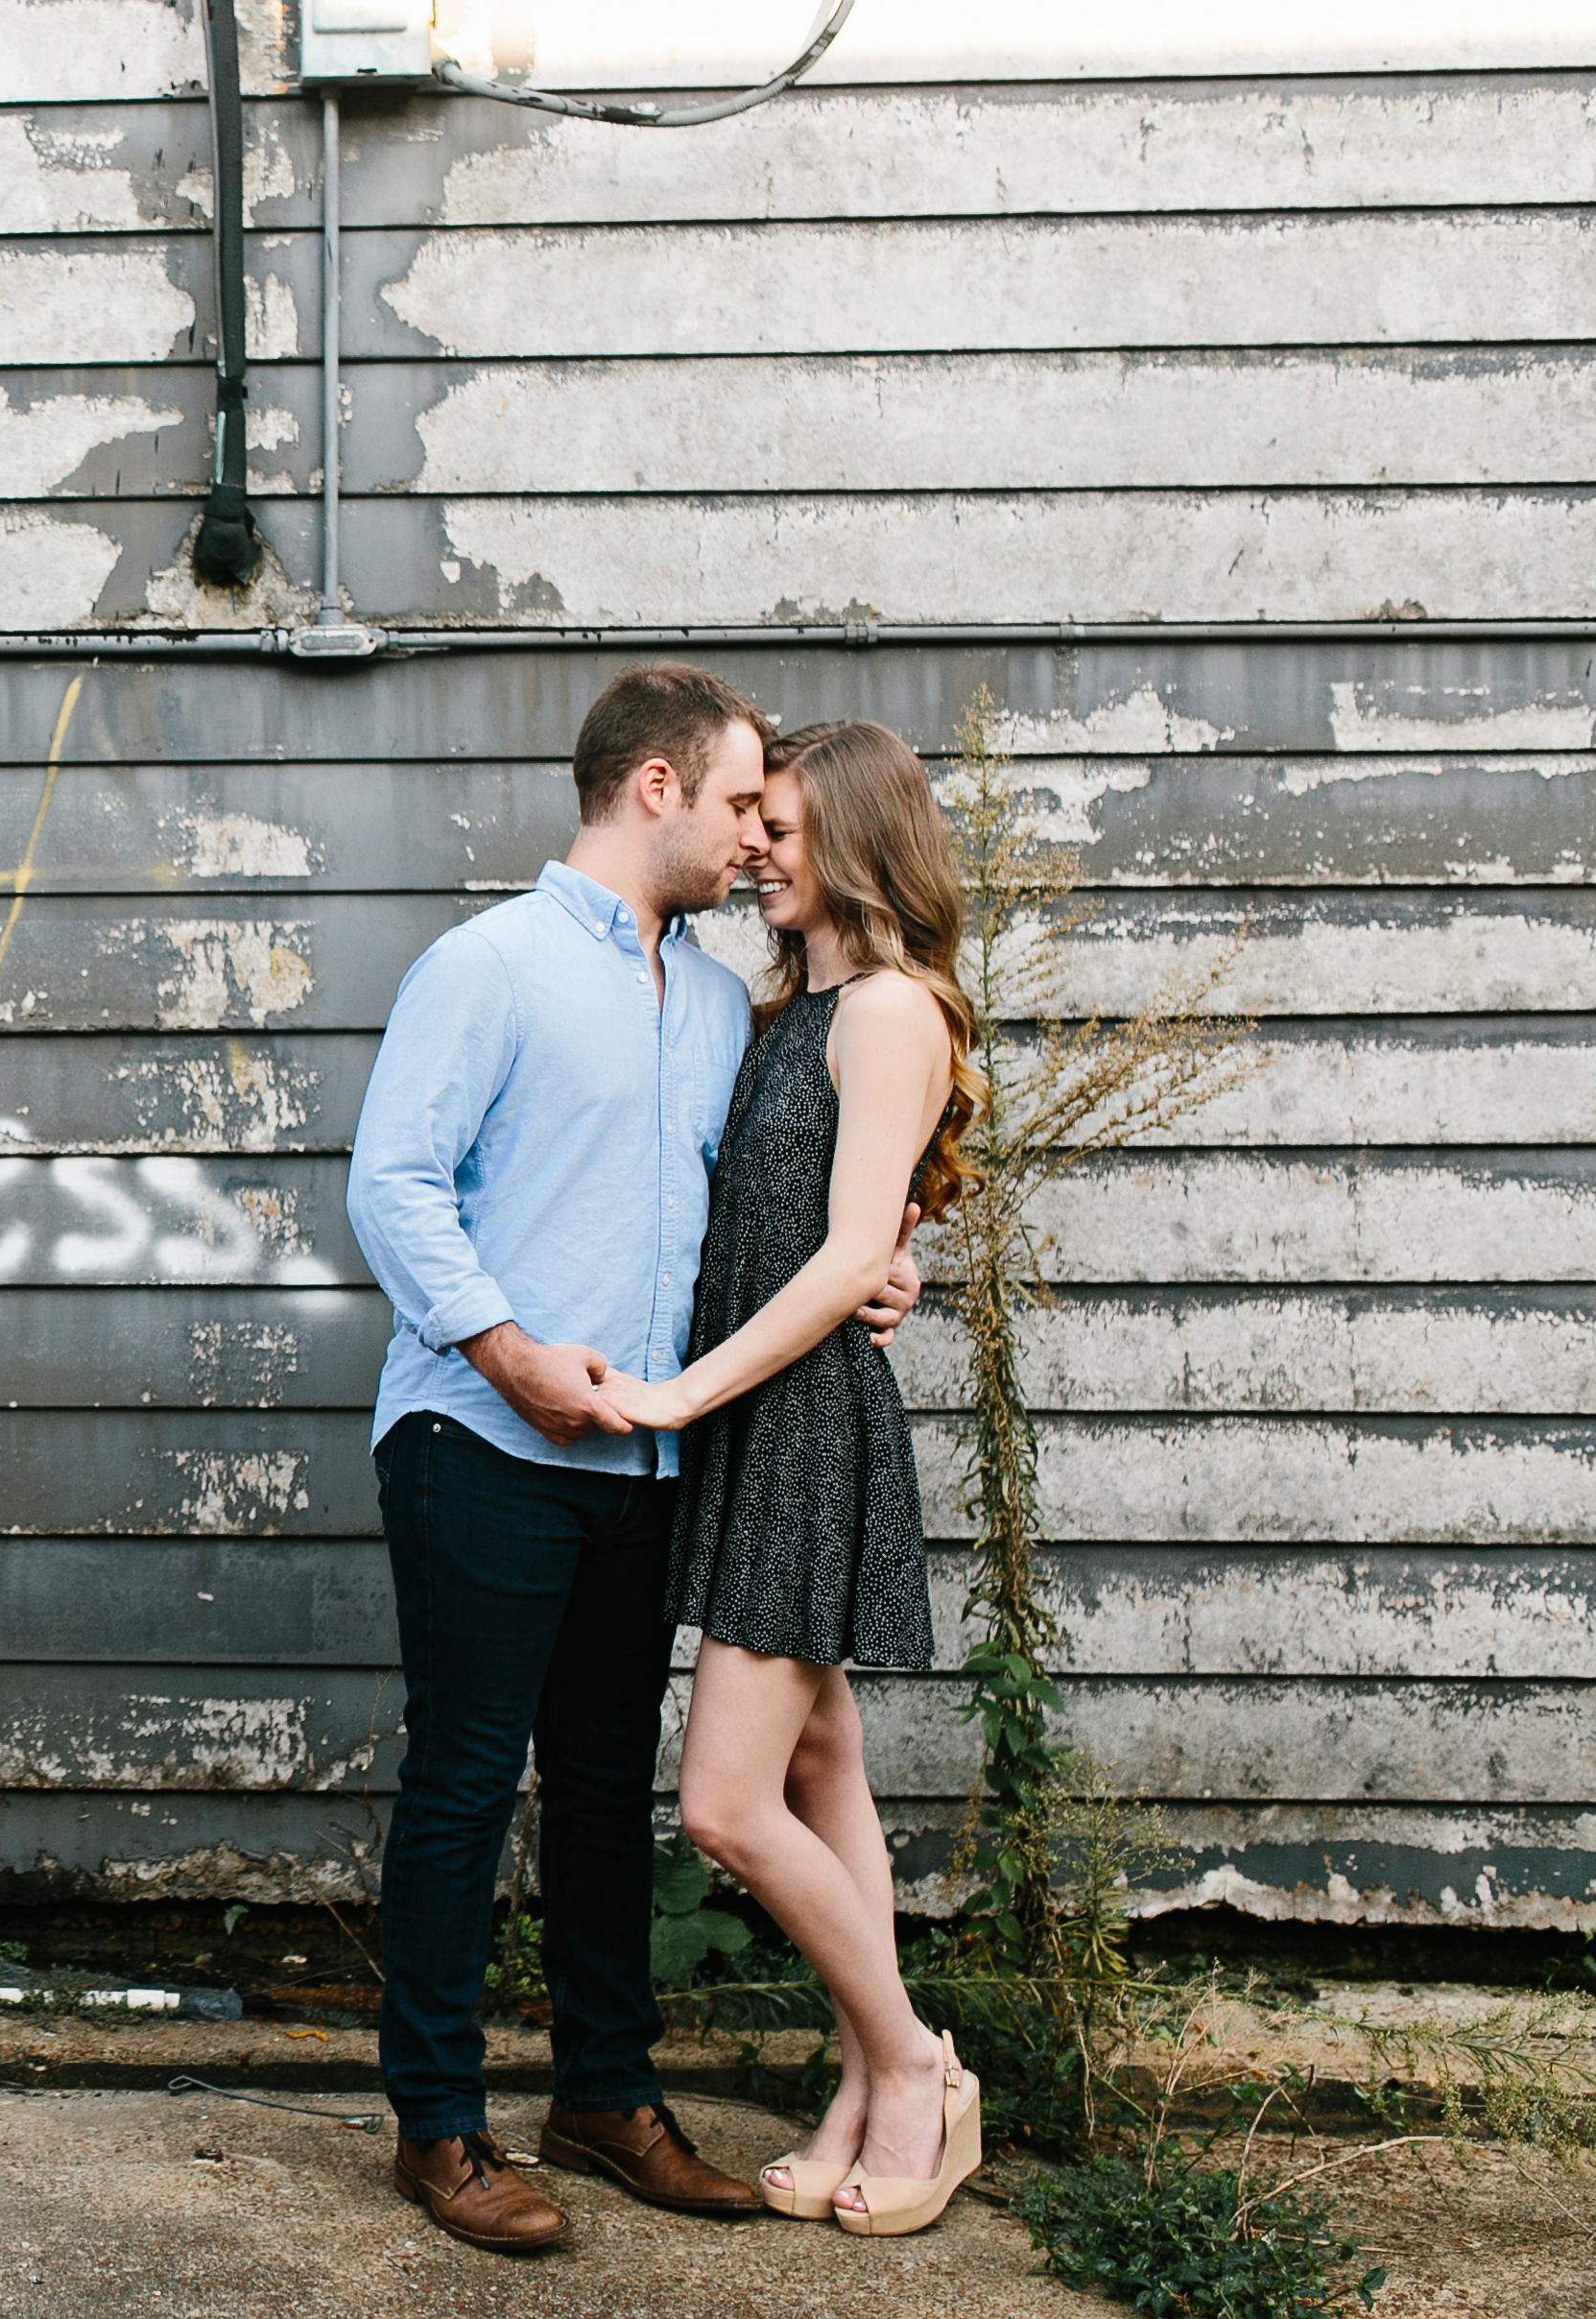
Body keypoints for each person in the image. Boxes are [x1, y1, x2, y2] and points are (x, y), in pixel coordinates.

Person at [343, 665, 921, 2255]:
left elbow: (785, 1209)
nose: (756, 839)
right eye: (741, 802)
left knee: (607, 1789)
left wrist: (888, 1260)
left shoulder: (729, 1007)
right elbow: (393, 1185)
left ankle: (604, 2095)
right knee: (467, 1779)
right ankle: (441, 2127)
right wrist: (507, 1352)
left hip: (651, 1464)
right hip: (482, 1437)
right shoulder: (494, 967)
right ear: (654, 788)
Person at [593, 720, 989, 2235]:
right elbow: (851, 1230)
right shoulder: (785, 1009)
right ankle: (858, 2086)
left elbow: (840, 1255)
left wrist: (686, 1390)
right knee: (826, 1774)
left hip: (798, 1426)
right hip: (755, 1419)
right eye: (751, 821)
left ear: (861, 844)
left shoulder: (886, 1010)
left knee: (726, 1805)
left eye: (787, 828)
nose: (756, 846)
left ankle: (915, 2065)